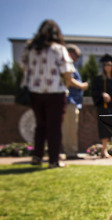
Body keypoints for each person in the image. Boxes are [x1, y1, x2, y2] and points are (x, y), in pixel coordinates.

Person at [21, 19, 75, 168]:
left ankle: (37, 157)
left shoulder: (30, 48)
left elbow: (23, 68)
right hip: (55, 92)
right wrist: (68, 83)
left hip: (35, 92)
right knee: (54, 127)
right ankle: (53, 160)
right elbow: (67, 73)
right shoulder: (58, 49)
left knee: (40, 125)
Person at [91, 54, 112, 158]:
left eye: (110, 65)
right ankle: (104, 151)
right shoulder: (99, 79)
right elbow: (94, 92)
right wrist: (102, 94)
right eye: (106, 65)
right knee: (104, 128)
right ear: (103, 66)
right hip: (103, 107)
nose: (108, 67)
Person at [61, 44, 88, 160]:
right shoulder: (66, 63)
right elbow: (69, 79)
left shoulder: (69, 64)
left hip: (72, 101)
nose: (77, 59)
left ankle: (70, 151)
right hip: (69, 100)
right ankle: (71, 152)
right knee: (69, 127)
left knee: (70, 127)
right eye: (76, 56)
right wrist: (82, 85)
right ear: (70, 53)